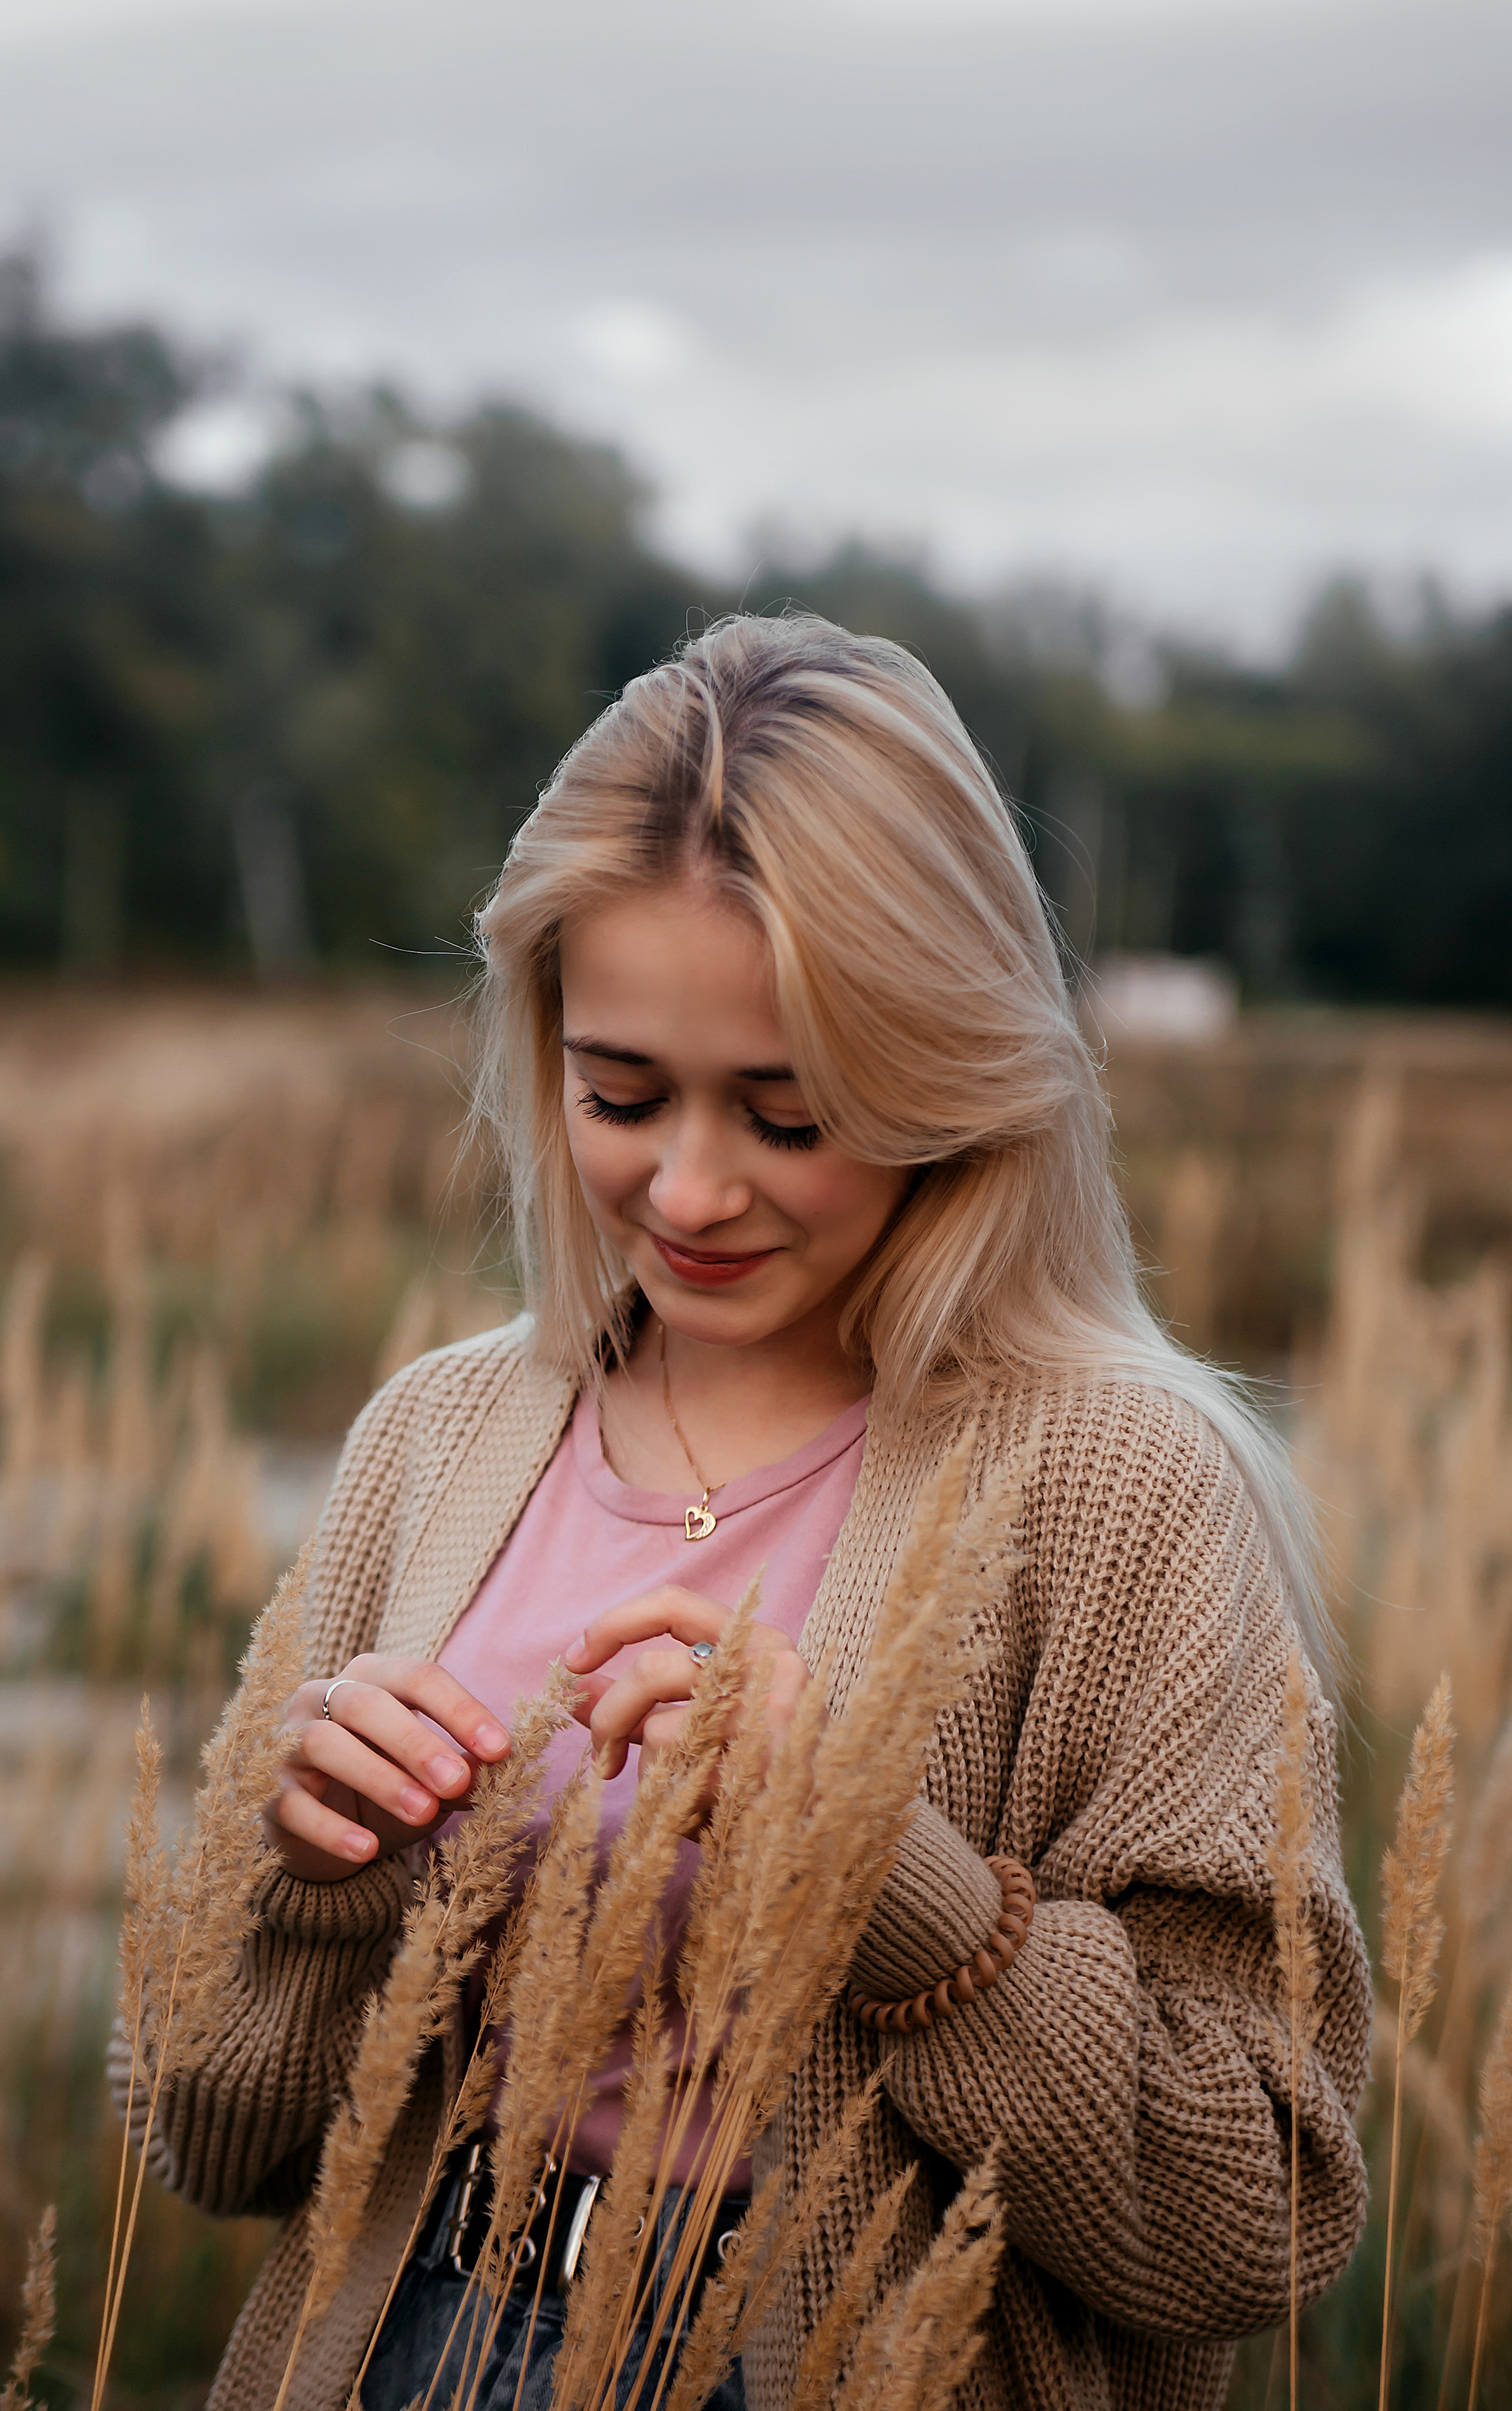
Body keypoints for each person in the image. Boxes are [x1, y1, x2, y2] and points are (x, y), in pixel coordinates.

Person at [147, 613, 1371, 2411]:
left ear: (949, 1086)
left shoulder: (1123, 1485)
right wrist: (314, 1895)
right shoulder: (443, 1432)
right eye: (620, 1095)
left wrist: (896, 1883)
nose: (692, 1187)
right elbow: (206, 2146)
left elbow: (1253, 2215)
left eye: (789, 1117)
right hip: (409, 2348)